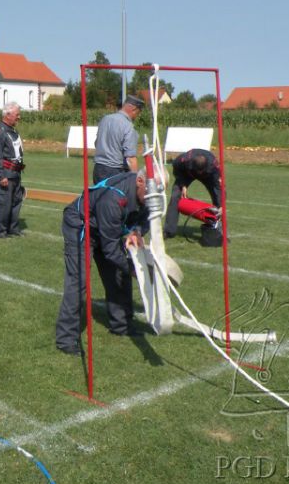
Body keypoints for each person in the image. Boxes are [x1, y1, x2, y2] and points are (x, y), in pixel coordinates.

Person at [55, 171, 149, 355]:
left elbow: (145, 219)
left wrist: (135, 231)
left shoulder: (149, 194)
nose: (154, 197)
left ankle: (121, 325)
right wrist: (133, 269)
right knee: (79, 281)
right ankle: (66, 339)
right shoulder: (113, 198)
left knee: (118, 274)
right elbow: (110, 249)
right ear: (139, 181)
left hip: (106, 226)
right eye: (151, 191)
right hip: (81, 225)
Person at [163, 148, 222, 239]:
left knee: (218, 200)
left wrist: (220, 204)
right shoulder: (183, 160)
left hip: (208, 177)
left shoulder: (213, 165)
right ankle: (169, 231)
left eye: (201, 172)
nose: (199, 174)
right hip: (187, 174)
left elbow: (217, 185)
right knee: (175, 196)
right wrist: (182, 184)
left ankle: (216, 227)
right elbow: (176, 168)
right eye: (198, 171)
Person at [0, 102, 25, 238]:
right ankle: (0, 231)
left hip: (16, 173)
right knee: (3, 203)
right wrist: (1, 176)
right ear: (8, 115)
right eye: (17, 114)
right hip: (6, 174)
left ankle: (13, 228)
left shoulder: (12, 130)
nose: (19, 117)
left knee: (16, 201)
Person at [92, 95, 144, 183]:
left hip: (98, 169)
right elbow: (130, 158)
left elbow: (96, 143)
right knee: (114, 197)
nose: (136, 116)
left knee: (99, 196)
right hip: (114, 171)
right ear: (134, 109)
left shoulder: (105, 119)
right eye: (137, 113)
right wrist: (135, 179)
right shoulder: (128, 126)